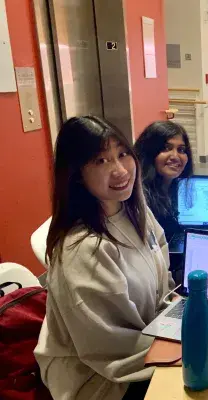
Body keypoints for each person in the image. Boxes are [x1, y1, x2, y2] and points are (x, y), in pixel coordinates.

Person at [35, 116, 175, 400]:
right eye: (101, 161)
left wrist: (184, 313)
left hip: (150, 340)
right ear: (77, 175)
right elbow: (111, 346)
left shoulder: (134, 211)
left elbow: (164, 277)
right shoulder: (83, 248)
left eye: (122, 154)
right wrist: (189, 344)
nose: (120, 170)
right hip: (100, 378)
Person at [134, 121, 193, 242]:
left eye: (181, 150)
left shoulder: (177, 188)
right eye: (167, 148)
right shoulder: (140, 199)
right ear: (149, 152)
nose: (175, 156)